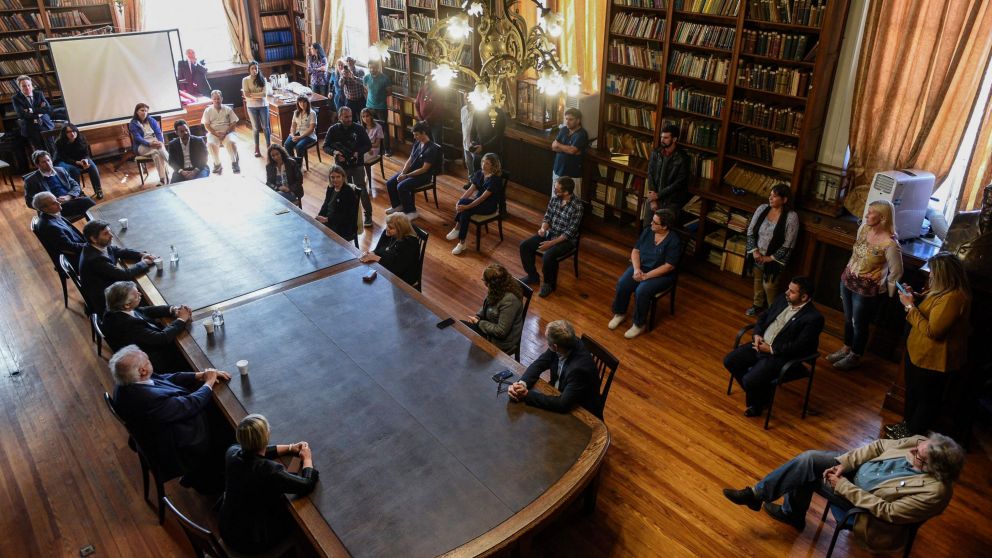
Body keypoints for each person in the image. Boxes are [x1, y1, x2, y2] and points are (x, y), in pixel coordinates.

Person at [723, 433, 965, 553]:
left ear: (933, 468)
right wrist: (845, 464)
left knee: (805, 471)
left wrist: (843, 486)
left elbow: (887, 511)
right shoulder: (921, 444)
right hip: (853, 473)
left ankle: (785, 511)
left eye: (917, 456)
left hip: (863, 504)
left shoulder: (935, 492)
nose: (911, 451)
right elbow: (880, 445)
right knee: (809, 459)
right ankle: (757, 494)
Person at [110, 345, 232, 492]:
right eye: (147, 360)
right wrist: (209, 382)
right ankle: (207, 478)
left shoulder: (127, 381)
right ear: (142, 371)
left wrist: (199, 376)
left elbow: (163, 379)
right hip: (176, 443)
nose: (150, 361)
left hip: (160, 426)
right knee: (225, 425)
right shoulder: (148, 400)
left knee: (212, 406)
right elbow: (190, 405)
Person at [888, 252, 971, 439]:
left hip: (932, 360)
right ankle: (907, 425)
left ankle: (912, 432)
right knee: (912, 392)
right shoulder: (941, 290)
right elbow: (930, 308)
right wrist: (914, 297)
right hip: (918, 352)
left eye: (933, 272)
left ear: (944, 275)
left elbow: (934, 331)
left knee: (926, 399)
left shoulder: (954, 297)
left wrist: (910, 307)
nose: (930, 275)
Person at [723, 276, 824, 417]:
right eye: (788, 289)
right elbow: (763, 317)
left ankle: (756, 406)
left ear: (804, 297)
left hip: (780, 355)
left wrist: (771, 349)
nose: (787, 293)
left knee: (749, 380)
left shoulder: (813, 318)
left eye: (792, 291)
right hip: (761, 344)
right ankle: (762, 396)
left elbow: (800, 346)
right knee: (730, 360)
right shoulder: (783, 299)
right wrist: (757, 335)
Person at [219, 414, 318, 554]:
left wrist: (291, 447)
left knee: (292, 469)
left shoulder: (232, 453)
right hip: (252, 539)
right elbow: (306, 484)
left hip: (227, 526)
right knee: (298, 521)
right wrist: (307, 458)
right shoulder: (269, 469)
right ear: (265, 437)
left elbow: (256, 453)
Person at [827, 200, 903, 371]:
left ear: (883, 217)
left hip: (866, 289)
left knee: (859, 323)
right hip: (848, 280)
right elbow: (857, 253)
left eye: (871, 213)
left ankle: (855, 355)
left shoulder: (890, 244)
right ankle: (846, 347)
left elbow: (896, 271)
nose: (866, 215)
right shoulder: (864, 229)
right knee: (848, 319)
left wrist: (887, 292)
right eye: (867, 212)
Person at [608, 209, 682, 339]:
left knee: (641, 291)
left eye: (655, 222)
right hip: (641, 267)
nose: (651, 223)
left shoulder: (674, 241)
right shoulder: (648, 231)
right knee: (623, 283)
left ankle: (639, 324)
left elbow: (668, 266)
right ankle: (620, 313)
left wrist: (646, 276)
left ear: (664, 226)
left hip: (662, 274)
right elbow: (636, 251)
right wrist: (636, 269)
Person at [507, 320, 599, 414]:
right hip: (557, 392)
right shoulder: (564, 343)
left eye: (547, 341)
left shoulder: (579, 370)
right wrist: (521, 385)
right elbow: (539, 364)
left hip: (580, 410)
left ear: (555, 347)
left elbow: (562, 404)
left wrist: (526, 395)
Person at [101, 281, 192, 372]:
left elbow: (145, 311)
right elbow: (160, 338)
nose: (140, 294)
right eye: (136, 295)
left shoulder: (115, 308)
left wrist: (172, 310)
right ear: (127, 305)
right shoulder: (127, 324)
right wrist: (181, 319)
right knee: (189, 348)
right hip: (154, 359)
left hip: (148, 341)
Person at [518, 176, 583, 298]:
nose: (554, 191)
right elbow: (547, 217)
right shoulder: (555, 199)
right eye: (555, 188)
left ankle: (549, 284)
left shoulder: (577, 207)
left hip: (566, 240)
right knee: (524, 246)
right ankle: (533, 276)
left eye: (557, 190)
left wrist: (551, 244)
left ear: (566, 192)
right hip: (551, 233)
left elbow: (569, 232)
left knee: (548, 256)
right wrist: (543, 228)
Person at [744, 184, 800, 317]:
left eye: (774, 196)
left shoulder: (791, 217)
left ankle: (772, 312)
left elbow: (789, 244)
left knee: (769, 286)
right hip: (757, 254)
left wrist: (769, 258)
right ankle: (757, 305)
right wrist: (755, 251)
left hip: (775, 259)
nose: (770, 198)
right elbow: (751, 231)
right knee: (757, 281)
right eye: (770, 195)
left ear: (784, 200)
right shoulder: (762, 208)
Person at [79, 220, 156, 314]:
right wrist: (143, 263)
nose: (111, 235)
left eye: (110, 231)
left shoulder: (96, 245)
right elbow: (123, 275)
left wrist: (141, 254)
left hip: (110, 285)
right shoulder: (94, 259)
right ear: (94, 239)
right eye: (106, 233)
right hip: (107, 299)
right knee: (143, 292)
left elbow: (118, 251)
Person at [323, 106, 373, 226]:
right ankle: (348, 215)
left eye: (350, 116)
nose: (349, 119)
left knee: (361, 189)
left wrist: (358, 152)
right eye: (346, 117)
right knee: (344, 190)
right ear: (340, 117)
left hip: (357, 164)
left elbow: (368, 145)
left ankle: (368, 214)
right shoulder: (333, 130)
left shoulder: (359, 128)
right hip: (341, 166)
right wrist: (334, 153)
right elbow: (325, 146)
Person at [446, 152, 503, 255]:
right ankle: (461, 241)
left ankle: (458, 233)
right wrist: (459, 202)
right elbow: (470, 190)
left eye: (487, 164)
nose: (483, 165)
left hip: (488, 206)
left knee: (465, 210)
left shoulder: (495, 180)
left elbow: (482, 198)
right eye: (483, 162)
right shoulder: (479, 173)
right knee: (465, 210)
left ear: (494, 166)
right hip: (477, 203)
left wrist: (466, 206)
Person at [464, 263, 524, 356]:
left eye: (484, 280)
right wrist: (478, 317)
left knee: (469, 352)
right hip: (490, 328)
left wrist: (479, 323)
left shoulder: (510, 301)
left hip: (501, 341)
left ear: (491, 284)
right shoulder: (497, 289)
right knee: (462, 327)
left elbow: (501, 332)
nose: (483, 281)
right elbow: (487, 305)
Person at [384, 121, 439, 221]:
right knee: (390, 182)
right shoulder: (418, 143)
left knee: (401, 186)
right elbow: (410, 159)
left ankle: (412, 212)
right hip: (411, 172)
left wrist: (406, 176)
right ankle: (398, 205)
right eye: (414, 135)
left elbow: (424, 169)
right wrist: (403, 173)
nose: (415, 137)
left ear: (424, 133)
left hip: (423, 176)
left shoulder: (432, 148)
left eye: (416, 135)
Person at [24, 150, 95, 218]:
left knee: (90, 204)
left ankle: (95, 227)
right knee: (88, 203)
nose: (48, 164)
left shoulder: (60, 170)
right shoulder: (31, 180)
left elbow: (75, 185)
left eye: (48, 160)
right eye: (44, 162)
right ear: (37, 165)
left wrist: (69, 197)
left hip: (69, 200)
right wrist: (50, 205)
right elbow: (30, 202)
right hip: (53, 209)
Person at [644, 123, 690, 226]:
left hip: (671, 200)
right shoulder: (656, 153)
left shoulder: (683, 158)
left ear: (674, 139)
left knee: (662, 227)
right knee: (647, 226)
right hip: (655, 197)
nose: (662, 140)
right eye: (661, 137)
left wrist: (658, 195)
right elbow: (650, 175)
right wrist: (653, 198)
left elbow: (678, 183)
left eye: (665, 137)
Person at [360, 212, 420, 287]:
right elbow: (377, 250)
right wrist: (370, 253)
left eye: (391, 228)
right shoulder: (388, 234)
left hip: (403, 280)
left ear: (400, 230)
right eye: (387, 225)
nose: (387, 229)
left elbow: (396, 269)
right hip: (386, 271)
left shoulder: (409, 244)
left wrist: (376, 258)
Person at [31, 191, 87, 260]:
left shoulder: (52, 214)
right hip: (80, 255)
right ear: (44, 209)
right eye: (53, 203)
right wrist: (92, 246)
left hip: (80, 243)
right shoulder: (51, 227)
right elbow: (70, 248)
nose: (58, 203)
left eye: (56, 200)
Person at [54, 123, 103, 199]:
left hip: (79, 159)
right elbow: (64, 158)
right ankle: (78, 192)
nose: (72, 133)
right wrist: (77, 162)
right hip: (63, 161)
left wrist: (85, 160)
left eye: (73, 131)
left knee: (92, 167)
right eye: (68, 132)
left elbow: (86, 153)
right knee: (73, 170)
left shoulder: (81, 138)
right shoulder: (59, 142)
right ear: (64, 133)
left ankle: (98, 190)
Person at [127, 103, 170, 186]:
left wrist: (160, 142)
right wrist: (149, 144)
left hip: (155, 143)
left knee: (157, 154)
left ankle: (162, 180)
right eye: (142, 110)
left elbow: (158, 133)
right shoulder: (133, 123)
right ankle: (173, 163)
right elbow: (137, 138)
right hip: (141, 146)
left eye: (146, 111)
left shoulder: (151, 120)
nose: (144, 113)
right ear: (137, 112)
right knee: (158, 149)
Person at [200, 90, 241, 174]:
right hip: (214, 133)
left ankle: (234, 163)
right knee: (210, 144)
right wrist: (215, 133)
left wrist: (226, 132)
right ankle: (217, 164)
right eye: (214, 99)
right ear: (212, 99)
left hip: (227, 132)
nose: (216, 101)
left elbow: (234, 122)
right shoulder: (208, 110)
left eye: (218, 99)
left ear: (222, 99)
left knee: (231, 142)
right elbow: (206, 125)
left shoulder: (227, 109)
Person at [316, 164, 360, 242]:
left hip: (343, 226)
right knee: (314, 226)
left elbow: (346, 215)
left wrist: (327, 220)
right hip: (330, 220)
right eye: (332, 177)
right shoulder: (330, 188)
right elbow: (326, 204)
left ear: (343, 177)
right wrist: (320, 216)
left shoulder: (348, 192)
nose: (335, 180)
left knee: (321, 236)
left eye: (338, 177)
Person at [12, 75, 54, 151]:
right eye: (24, 86)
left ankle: (54, 163)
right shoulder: (16, 98)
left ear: (32, 85)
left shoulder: (39, 94)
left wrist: (31, 110)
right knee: (39, 151)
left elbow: (48, 109)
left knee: (52, 148)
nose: (27, 88)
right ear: (19, 87)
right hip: (30, 127)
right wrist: (39, 111)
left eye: (29, 85)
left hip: (45, 124)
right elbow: (21, 114)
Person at [551, 108, 588, 193]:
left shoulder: (581, 134)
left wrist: (559, 145)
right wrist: (569, 149)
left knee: (571, 200)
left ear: (578, 120)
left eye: (570, 119)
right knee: (555, 197)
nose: (567, 122)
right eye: (566, 119)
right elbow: (553, 147)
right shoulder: (564, 129)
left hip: (572, 175)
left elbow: (571, 151)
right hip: (558, 170)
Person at [242, 61, 271, 158]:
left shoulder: (263, 79)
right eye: (252, 68)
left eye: (256, 68)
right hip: (251, 107)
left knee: (266, 127)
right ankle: (257, 148)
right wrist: (257, 95)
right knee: (255, 128)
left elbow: (264, 95)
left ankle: (269, 147)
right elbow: (246, 95)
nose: (254, 70)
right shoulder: (245, 80)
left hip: (263, 105)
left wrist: (252, 95)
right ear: (249, 70)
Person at [469, 105, 506, 175]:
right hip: (478, 152)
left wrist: (483, 147)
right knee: (477, 176)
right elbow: (473, 130)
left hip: (493, 152)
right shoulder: (478, 111)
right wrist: (473, 142)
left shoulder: (499, 113)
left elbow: (498, 136)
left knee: (491, 178)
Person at [415, 79, 442, 144]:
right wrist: (420, 119)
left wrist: (426, 120)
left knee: (436, 144)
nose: (428, 81)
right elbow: (416, 104)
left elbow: (437, 108)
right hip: (423, 122)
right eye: (426, 79)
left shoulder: (438, 91)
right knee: (426, 142)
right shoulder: (422, 89)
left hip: (435, 123)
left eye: (430, 80)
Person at [460, 101, 475, 184]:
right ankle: (471, 181)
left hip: (474, 144)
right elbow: (463, 126)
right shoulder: (463, 109)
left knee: (476, 165)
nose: (467, 100)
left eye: (469, 97)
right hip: (465, 142)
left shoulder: (478, 112)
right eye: (465, 97)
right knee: (469, 164)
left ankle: (477, 184)